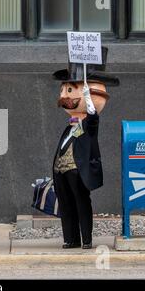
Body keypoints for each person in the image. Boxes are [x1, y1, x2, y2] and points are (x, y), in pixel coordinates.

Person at [52, 47, 119, 249]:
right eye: (63, 89)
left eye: (70, 90)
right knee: (66, 206)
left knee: (82, 204)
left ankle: (86, 239)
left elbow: (92, 116)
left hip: (78, 171)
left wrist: (88, 97)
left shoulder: (88, 125)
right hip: (61, 172)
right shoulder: (68, 127)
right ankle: (71, 238)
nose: (64, 95)